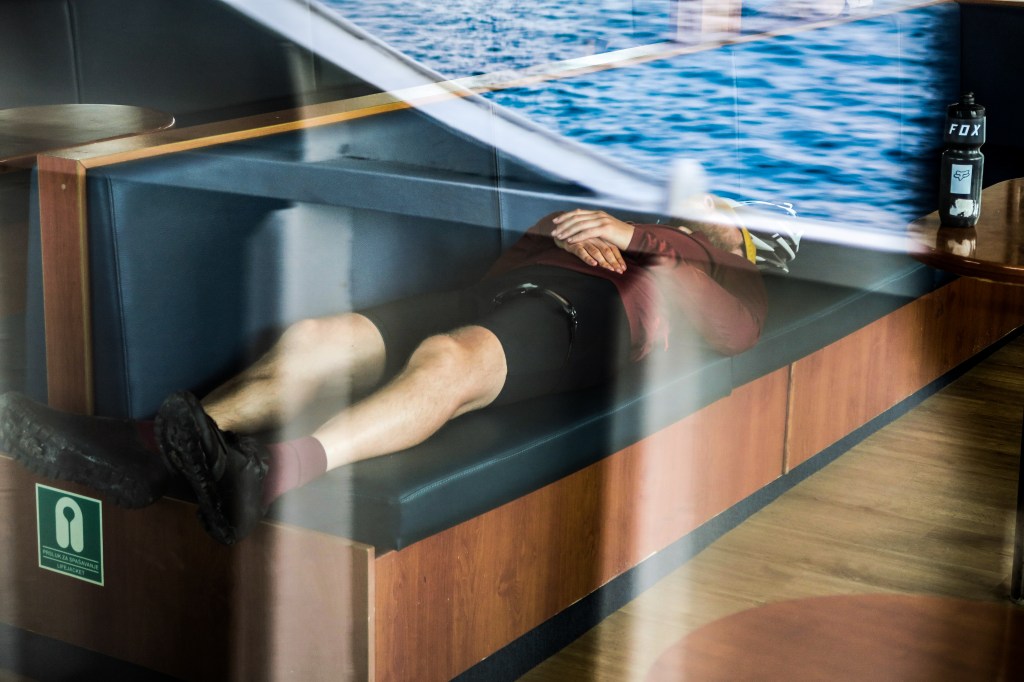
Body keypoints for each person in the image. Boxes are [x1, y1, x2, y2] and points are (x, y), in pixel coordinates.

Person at [0, 199, 788, 545]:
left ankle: (268, 474)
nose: (711, 203)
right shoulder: (641, 223)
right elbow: (526, 244)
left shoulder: (727, 267)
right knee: (316, 338)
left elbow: (736, 331)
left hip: (590, 321)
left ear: (748, 239)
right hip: (507, 289)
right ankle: (144, 449)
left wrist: (642, 241)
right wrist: (569, 232)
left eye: (729, 210)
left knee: (448, 360)